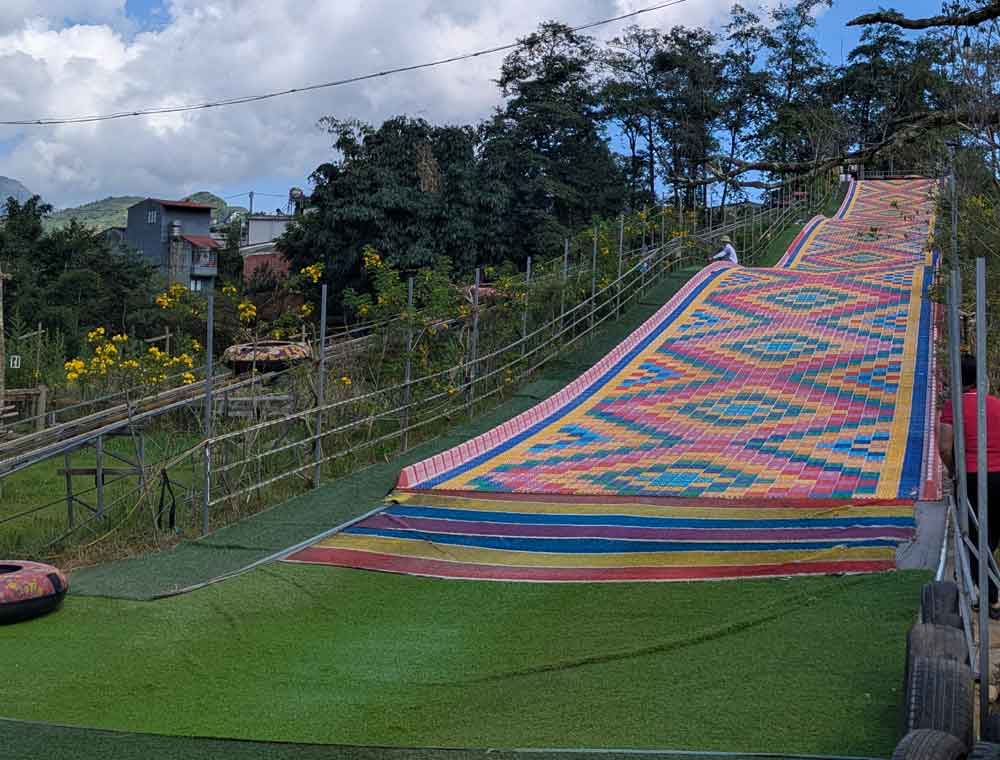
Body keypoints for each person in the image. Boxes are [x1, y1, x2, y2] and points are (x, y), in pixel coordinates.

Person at [939, 354, 1000, 618]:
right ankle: (987, 586)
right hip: (999, 474)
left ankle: (990, 598)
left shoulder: (954, 406)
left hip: (973, 477)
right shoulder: (996, 404)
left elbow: (945, 446)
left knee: (975, 538)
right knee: (992, 535)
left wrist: (954, 471)